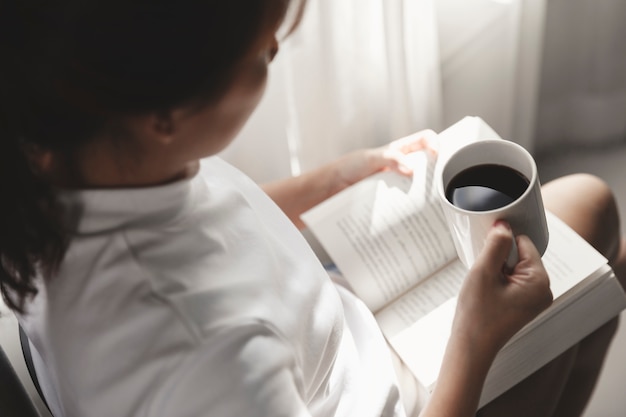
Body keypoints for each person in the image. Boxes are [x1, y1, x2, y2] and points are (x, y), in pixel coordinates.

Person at [0, 1, 624, 416]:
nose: (274, 54)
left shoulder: (69, 152)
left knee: (589, 239)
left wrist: (337, 175)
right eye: (263, 55)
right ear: (165, 115)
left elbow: (200, 225)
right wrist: (474, 335)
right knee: (595, 233)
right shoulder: (214, 362)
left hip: (332, 332)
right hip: (403, 397)